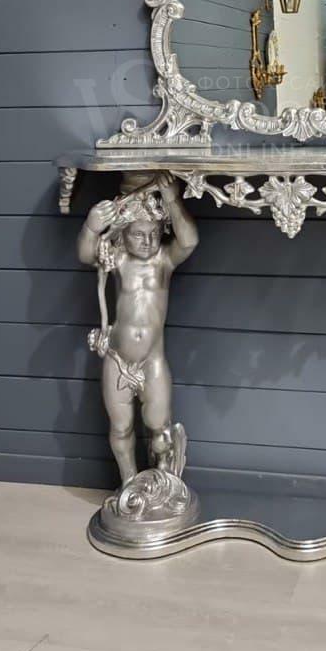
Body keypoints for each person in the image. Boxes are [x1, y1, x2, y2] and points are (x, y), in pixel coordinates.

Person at [77, 176, 198, 485]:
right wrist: (91, 227)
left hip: (152, 361)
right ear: (123, 234)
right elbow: (87, 255)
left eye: (154, 233)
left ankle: (163, 482)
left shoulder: (163, 261)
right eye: (139, 234)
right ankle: (129, 485)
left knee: (160, 426)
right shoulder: (117, 259)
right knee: (121, 427)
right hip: (118, 359)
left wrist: (172, 200)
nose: (148, 241)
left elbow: (188, 241)